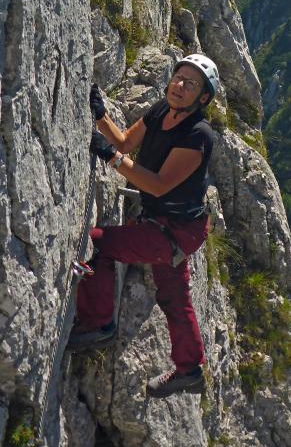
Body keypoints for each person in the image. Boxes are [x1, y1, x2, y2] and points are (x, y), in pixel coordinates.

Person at [67, 53, 218, 398]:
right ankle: (190, 370)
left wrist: (111, 158)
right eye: (178, 77)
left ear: (203, 98)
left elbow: (158, 184)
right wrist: (100, 115)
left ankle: (97, 322)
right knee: (174, 296)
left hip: (175, 232)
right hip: (172, 227)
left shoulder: (198, 135)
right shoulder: (161, 110)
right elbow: (123, 142)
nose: (179, 85)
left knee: (99, 245)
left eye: (190, 84)